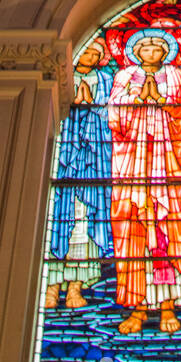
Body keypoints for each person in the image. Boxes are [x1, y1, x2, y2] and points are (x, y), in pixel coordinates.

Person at [107, 27, 181, 334]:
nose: (151, 53)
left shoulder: (176, 76)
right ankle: (138, 307)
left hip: (168, 165)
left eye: (158, 49)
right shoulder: (124, 77)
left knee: (166, 231)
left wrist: (162, 100)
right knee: (133, 231)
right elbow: (114, 118)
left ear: (166, 52)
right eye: (145, 49)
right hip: (132, 164)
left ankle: (168, 305)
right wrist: (136, 98)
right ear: (136, 52)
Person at [46, 35, 115, 309]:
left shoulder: (106, 81)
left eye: (94, 54)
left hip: (94, 158)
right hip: (64, 159)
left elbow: (113, 114)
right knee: (57, 222)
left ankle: (75, 287)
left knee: (83, 225)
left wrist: (93, 106)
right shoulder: (64, 79)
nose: (89, 57)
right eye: (85, 53)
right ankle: (51, 287)